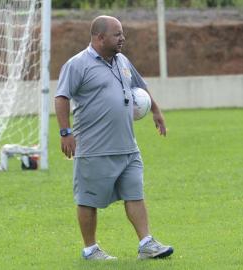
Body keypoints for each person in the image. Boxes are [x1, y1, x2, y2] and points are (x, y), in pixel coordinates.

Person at [55, 15, 173, 260]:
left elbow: (140, 86)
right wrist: (65, 132)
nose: (123, 38)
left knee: (135, 194)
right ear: (100, 37)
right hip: (94, 148)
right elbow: (61, 97)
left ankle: (146, 244)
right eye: (117, 34)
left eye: (122, 33)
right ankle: (90, 249)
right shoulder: (77, 64)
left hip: (128, 146)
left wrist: (156, 110)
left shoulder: (122, 61)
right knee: (88, 199)